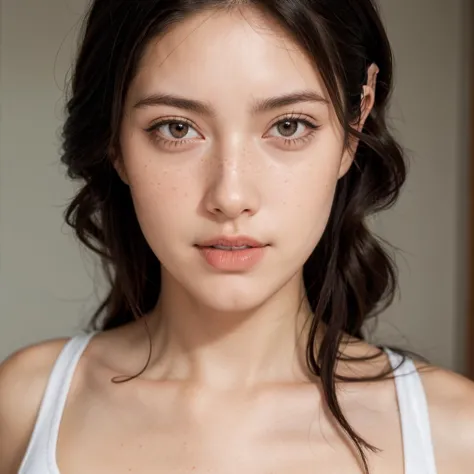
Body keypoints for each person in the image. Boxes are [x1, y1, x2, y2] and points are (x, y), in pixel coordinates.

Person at [1, 0, 473, 472]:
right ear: (115, 141)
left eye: (289, 126)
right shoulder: (23, 405)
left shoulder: (456, 434)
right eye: (177, 128)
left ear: (356, 124)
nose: (230, 196)